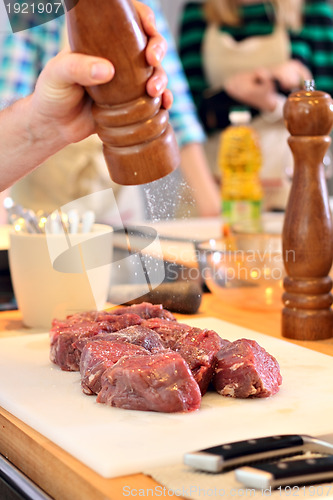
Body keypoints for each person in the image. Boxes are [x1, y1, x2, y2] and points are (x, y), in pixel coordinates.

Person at [0, 1, 220, 220]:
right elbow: (8, 96)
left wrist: (208, 200)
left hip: (115, 196)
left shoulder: (139, 3)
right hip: (47, 197)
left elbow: (176, 103)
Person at [0, 1, 172, 191]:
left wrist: (50, 123)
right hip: (47, 189)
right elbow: (7, 95)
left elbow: (178, 99)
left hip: (114, 192)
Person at [178, 0, 333, 210]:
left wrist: (271, 103)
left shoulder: (313, 11)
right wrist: (233, 92)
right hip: (213, 189)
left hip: (291, 192)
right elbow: (185, 115)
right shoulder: (197, 14)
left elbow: (324, 117)